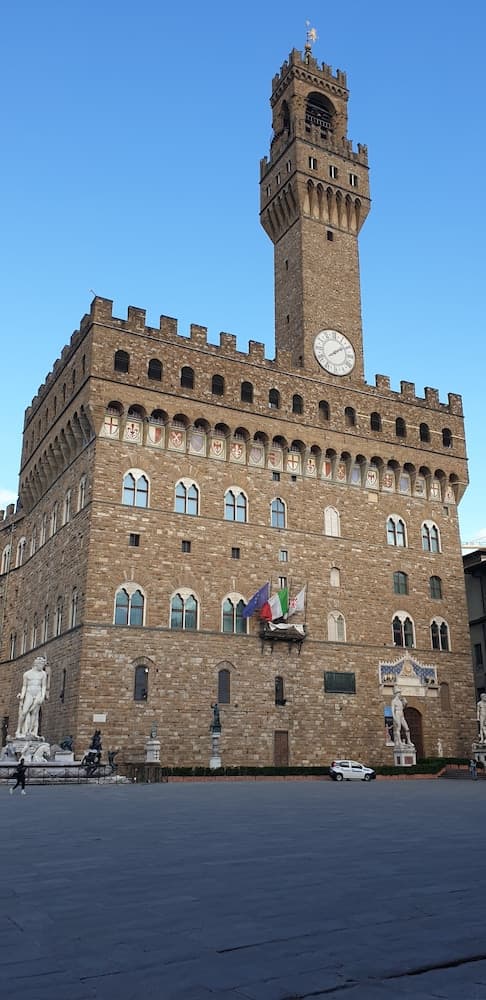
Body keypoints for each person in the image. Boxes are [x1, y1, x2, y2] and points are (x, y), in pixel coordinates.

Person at [15, 656, 48, 737]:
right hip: (29, 693)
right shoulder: (27, 674)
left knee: (34, 713)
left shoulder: (43, 674)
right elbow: (24, 686)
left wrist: (42, 696)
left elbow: (43, 686)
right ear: (36, 664)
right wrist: (22, 695)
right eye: (41, 665)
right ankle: (18, 730)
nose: (42, 667)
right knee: (24, 712)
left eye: (43, 665)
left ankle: (31, 731)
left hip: (38, 693)